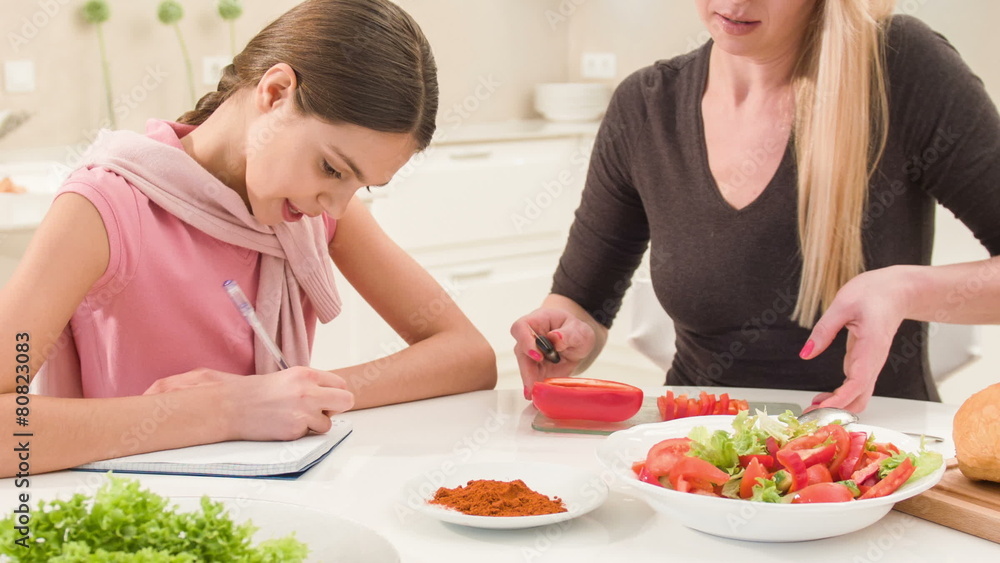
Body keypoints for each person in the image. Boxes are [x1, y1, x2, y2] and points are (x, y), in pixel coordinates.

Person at [0, 0, 496, 478]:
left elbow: (466, 354)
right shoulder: (104, 208)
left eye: (360, 185)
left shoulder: (310, 210)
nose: (339, 206)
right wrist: (226, 409)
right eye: (332, 168)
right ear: (276, 92)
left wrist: (301, 394)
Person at [512, 0, 1000, 413]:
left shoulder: (898, 66)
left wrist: (904, 289)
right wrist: (561, 338)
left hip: (871, 461)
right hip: (694, 460)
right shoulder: (645, 107)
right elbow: (581, 304)